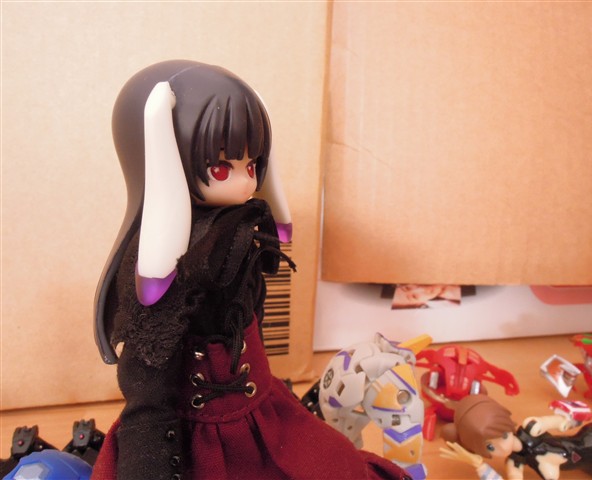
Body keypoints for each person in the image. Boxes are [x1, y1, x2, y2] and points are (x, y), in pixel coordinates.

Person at [91, 61, 410, 480]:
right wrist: (147, 464)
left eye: (252, 165)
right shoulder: (160, 265)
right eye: (222, 168)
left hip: (263, 410)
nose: (244, 183)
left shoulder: (239, 229)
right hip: (195, 440)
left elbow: (252, 319)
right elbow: (147, 391)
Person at [439, 395, 592, 480]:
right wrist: (478, 465)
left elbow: (562, 422)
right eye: (491, 448)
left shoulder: (531, 427)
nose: (502, 446)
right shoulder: (515, 463)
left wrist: (567, 419)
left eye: (503, 434)